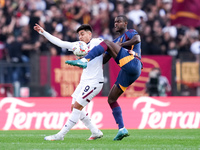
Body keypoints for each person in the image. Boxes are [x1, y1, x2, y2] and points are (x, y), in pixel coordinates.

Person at [66, 15, 143, 140]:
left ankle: (85, 60)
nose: (116, 24)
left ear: (125, 23)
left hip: (134, 63)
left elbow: (137, 39)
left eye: (119, 22)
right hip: (128, 71)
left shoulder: (129, 33)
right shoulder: (115, 41)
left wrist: (120, 44)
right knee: (111, 99)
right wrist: (91, 59)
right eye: (115, 22)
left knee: (107, 42)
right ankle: (122, 129)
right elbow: (104, 59)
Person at [34, 24, 104, 140]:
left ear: (90, 34)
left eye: (82, 34)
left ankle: (60, 135)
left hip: (94, 81)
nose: (80, 37)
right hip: (84, 81)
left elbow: (111, 46)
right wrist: (43, 32)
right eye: (79, 35)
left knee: (77, 108)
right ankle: (95, 131)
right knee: (74, 108)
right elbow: (60, 43)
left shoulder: (97, 42)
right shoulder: (78, 46)